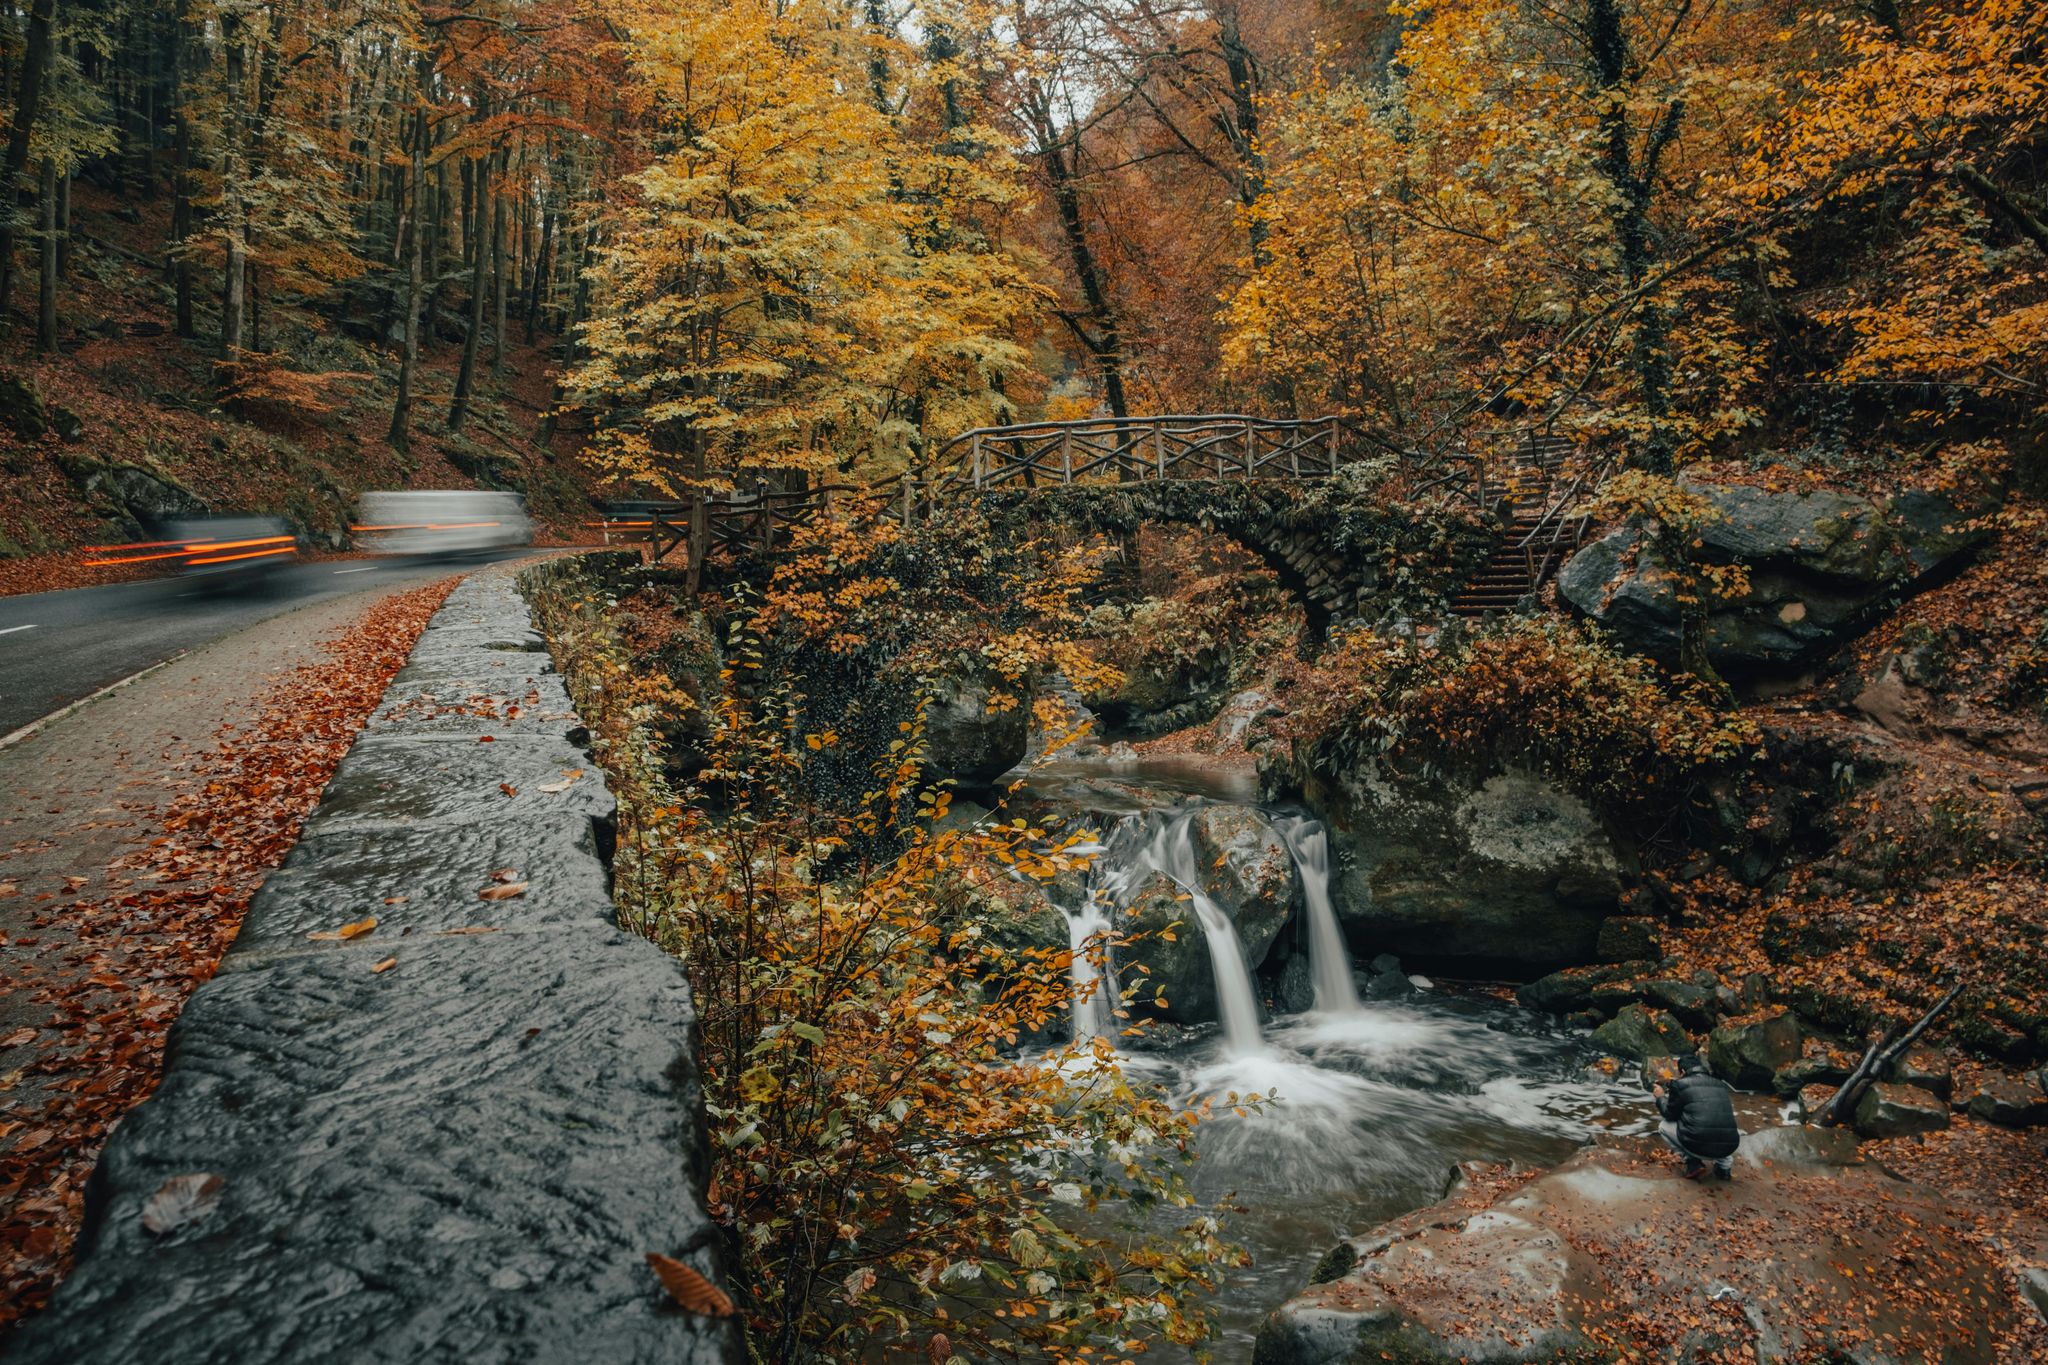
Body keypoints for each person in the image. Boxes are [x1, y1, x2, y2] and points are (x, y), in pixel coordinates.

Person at [1655, 1054, 1740, 1180]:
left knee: (1663, 1126)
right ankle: (1724, 1168)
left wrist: (1660, 1097)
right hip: (1729, 1146)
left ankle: (1692, 1162)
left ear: (1682, 1071)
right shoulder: (1720, 1084)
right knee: (1719, 1126)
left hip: (1699, 1146)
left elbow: (1669, 1114)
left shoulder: (1680, 1085)